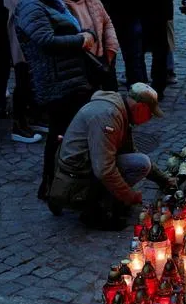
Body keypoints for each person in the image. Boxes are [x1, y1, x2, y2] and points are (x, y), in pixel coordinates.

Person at [15, 0, 95, 203]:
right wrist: (81, 40)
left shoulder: (47, 1)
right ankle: (52, 186)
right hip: (56, 80)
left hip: (69, 76)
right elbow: (46, 41)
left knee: (67, 132)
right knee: (59, 134)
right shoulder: (31, 5)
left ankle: (64, 185)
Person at [49, 83, 175, 229]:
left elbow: (131, 151)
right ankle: (96, 208)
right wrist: (129, 196)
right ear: (141, 108)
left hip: (85, 162)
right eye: (150, 114)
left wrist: (163, 180)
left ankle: (109, 201)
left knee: (140, 162)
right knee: (140, 164)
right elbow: (104, 170)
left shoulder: (120, 109)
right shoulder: (109, 116)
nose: (149, 119)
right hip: (77, 172)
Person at [1, 0, 43, 143]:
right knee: (23, 80)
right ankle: (19, 124)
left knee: (31, 79)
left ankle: (30, 118)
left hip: (31, 32)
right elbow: (22, 4)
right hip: (21, 33)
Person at [57, 0, 119, 91]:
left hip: (101, 58)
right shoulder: (57, 6)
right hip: (76, 66)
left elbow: (107, 23)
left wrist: (111, 47)